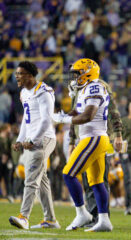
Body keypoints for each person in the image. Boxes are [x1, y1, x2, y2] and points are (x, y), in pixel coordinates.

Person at [52, 58, 112, 232]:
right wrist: (61, 115)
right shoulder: (86, 88)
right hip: (93, 137)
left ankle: (82, 213)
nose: (74, 77)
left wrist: (65, 119)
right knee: (97, 182)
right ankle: (104, 220)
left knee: (68, 174)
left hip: (94, 137)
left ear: (88, 73)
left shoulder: (95, 86)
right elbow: (78, 112)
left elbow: (88, 116)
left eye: (77, 73)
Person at [9, 61, 60, 229]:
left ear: (30, 75)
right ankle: (51, 220)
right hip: (33, 139)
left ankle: (24, 216)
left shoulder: (44, 92)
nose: (17, 76)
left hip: (44, 139)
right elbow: (27, 119)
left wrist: (33, 140)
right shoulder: (24, 92)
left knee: (31, 179)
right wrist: (20, 139)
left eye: (20, 73)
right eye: (16, 73)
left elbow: (46, 120)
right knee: (41, 180)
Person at [68, 76, 123, 226]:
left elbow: (112, 110)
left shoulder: (98, 85)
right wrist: (72, 140)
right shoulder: (79, 86)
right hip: (83, 137)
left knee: (99, 179)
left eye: (77, 72)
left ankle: (100, 217)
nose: (74, 77)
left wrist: (118, 134)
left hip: (98, 136)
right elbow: (75, 114)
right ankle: (94, 217)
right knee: (88, 179)